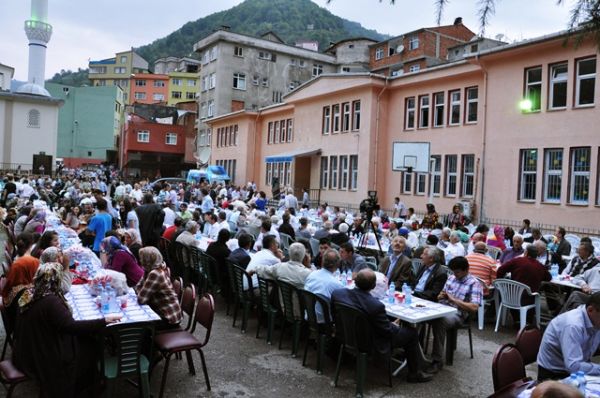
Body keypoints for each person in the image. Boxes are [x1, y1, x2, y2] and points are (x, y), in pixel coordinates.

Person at [13, 263, 121, 397]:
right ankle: (84, 388)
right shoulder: (50, 301)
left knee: (84, 340)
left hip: (26, 348)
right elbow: (71, 327)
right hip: (43, 353)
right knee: (92, 346)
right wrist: (103, 321)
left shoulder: (30, 293)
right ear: (56, 279)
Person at [331, 269, 433, 383]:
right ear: (374, 286)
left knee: (393, 326)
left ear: (355, 280)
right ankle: (415, 373)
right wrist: (393, 325)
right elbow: (387, 332)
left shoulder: (338, 293)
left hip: (346, 336)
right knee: (411, 332)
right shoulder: (375, 306)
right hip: (369, 344)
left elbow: (334, 314)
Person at [426, 257, 482, 373]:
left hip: (458, 314)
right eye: (453, 271)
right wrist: (441, 296)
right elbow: (442, 294)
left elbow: (474, 307)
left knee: (439, 321)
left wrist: (453, 300)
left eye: (457, 272)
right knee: (420, 314)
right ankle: (416, 352)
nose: (455, 274)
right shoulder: (451, 278)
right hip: (442, 307)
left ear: (466, 269)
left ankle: (437, 360)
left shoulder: (474, 284)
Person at [537, 292, 600, 380]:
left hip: (574, 370)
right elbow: (573, 366)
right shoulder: (573, 325)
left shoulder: (595, 321)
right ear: (590, 310)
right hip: (554, 375)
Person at [135, 247, 182, 329]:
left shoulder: (155, 273)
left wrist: (142, 291)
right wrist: (142, 291)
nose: (140, 261)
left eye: (142, 259)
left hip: (168, 317)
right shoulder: (152, 269)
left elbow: (141, 299)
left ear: (147, 261)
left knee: (138, 325)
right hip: (162, 311)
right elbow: (138, 287)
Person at [2, 233, 39, 331]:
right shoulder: (32, 262)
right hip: (21, 321)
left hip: (15, 314)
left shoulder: (18, 262)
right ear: (31, 244)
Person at [304, 249, 344, 323]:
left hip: (308, 316)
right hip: (325, 322)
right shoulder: (337, 285)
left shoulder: (311, 275)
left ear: (323, 261)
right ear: (337, 264)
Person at [206, 229, 232, 295]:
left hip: (207, 269)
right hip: (217, 275)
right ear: (228, 239)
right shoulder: (226, 251)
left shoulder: (211, 245)